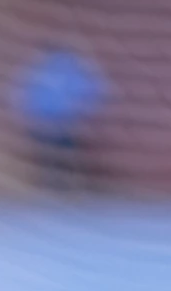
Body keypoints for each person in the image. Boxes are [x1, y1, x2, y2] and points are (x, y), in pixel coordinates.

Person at [9, 45, 110, 190]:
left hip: (54, 120)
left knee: (55, 155)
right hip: (57, 120)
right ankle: (61, 185)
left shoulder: (41, 71)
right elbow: (94, 91)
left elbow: (23, 94)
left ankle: (59, 185)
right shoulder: (46, 70)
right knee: (57, 155)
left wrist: (26, 114)